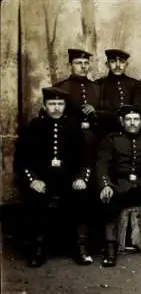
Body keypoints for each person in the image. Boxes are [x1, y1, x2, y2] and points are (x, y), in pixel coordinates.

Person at [15, 87, 94, 268]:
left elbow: (85, 159)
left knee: (82, 197)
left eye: (60, 104)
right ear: (45, 106)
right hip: (43, 180)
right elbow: (22, 160)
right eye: (52, 104)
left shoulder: (74, 127)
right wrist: (32, 180)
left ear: (65, 105)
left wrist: (81, 178)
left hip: (68, 180)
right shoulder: (34, 127)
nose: (56, 108)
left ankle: (81, 246)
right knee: (36, 199)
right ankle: (38, 247)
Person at [95, 105, 141, 267]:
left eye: (136, 119)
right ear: (122, 122)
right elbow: (102, 165)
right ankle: (110, 249)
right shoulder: (112, 140)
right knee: (108, 204)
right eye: (128, 119)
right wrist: (106, 185)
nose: (132, 123)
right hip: (119, 185)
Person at [53, 49, 101, 138]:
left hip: (95, 137)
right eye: (78, 63)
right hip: (69, 137)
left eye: (86, 63)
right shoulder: (60, 87)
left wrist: (95, 111)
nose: (83, 66)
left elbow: (103, 111)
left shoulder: (97, 87)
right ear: (70, 66)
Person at [95, 49, 139, 136]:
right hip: (106, 132)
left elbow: (139, 109)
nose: (118, 65)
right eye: (113, 62)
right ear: (107, 64)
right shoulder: (98, 84)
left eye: (122, 62)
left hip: (130, 132)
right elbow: (96, 111)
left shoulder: (135, 84)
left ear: (126, 64)